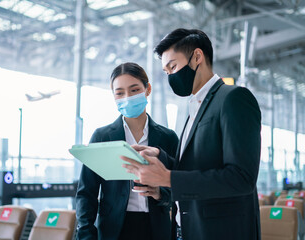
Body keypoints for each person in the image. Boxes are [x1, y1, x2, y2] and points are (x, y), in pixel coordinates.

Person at [122, 29, 262, 240]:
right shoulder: (195, 107)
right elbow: (196, 166)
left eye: (173, 66)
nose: (170, 76)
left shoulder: (233, 99)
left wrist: (167, 178)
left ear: (197, 57)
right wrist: (159, 155)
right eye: (166, 72)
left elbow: (241, 178)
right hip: (189, 229)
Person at [75, 62, 179, 240]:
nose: (127, 97)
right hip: (114, 230)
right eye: (120, 93)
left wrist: (160, 193)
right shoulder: (102, 136)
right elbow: (87, 192)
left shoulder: (168, 138)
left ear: (148, 89)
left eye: (134, 90)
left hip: (157, 229)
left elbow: (180, 186)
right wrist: (85, 235)